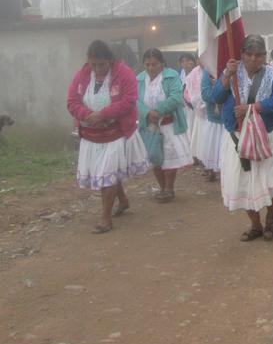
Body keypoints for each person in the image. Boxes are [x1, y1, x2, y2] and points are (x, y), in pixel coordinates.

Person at [212, 35, 273, 241]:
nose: (253, 59)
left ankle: (271, 216)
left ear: (265, 56)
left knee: (270, 182)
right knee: (242, 183)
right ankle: (256, 224)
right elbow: (215, 97)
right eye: (249, 54)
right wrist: (225, 78)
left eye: (258, 55)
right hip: (237, 137)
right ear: (242, 54)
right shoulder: (231, 71)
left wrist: (252, 108)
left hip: (266, 137)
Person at [67, 40, 149, 233]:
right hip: (91, 134)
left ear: (110, 61)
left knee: (106, 174)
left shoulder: (124, 73)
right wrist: (87, 115)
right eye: (93, 64)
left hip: (115, 132)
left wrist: (103, 114)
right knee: (108, 172)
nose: (97, 68)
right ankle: (123, 201)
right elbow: (71, 101)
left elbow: (129, 101)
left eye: (101, 64)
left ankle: (105, 218)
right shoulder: (82, 75)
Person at [137, 48, 192, 202]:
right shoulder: (140, 79)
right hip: (150, 124)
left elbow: (176, 97)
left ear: (162, 63)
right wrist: (148, 113)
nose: (150, 68)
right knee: (154, 156)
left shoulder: (172, 76)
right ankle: (161, 187)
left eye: (154, 64)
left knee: (169, 156)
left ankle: (169, 188)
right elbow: (135, 101)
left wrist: (158, 111)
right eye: (147, 64)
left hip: (169, 123)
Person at [198, 68, 223, 182]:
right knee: (213, 148)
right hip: (214, 118)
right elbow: (206, 95)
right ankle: (212, 171)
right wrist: (222, 90)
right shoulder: (208, 72)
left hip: (230, 120)